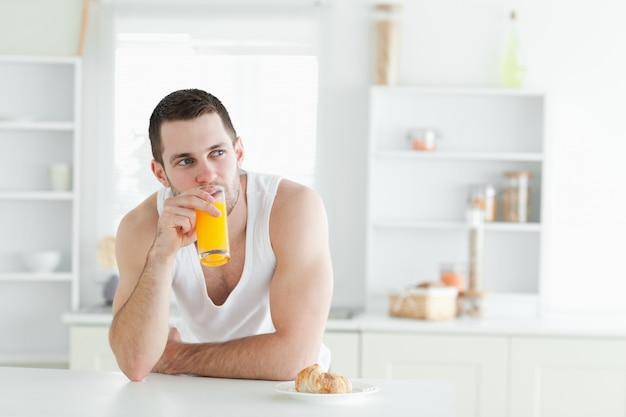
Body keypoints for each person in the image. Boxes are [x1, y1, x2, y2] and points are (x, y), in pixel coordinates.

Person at [109, 88, 333, 382]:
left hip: (286, 391)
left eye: (217, 153)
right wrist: (162, 256)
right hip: (197, 389)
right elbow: (135, 362)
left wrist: (176, 357)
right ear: (160, 174)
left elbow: (297, 359)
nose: (208, 175)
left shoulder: (293, 208)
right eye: (186, 161)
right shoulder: (141, 226)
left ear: (238, 152)